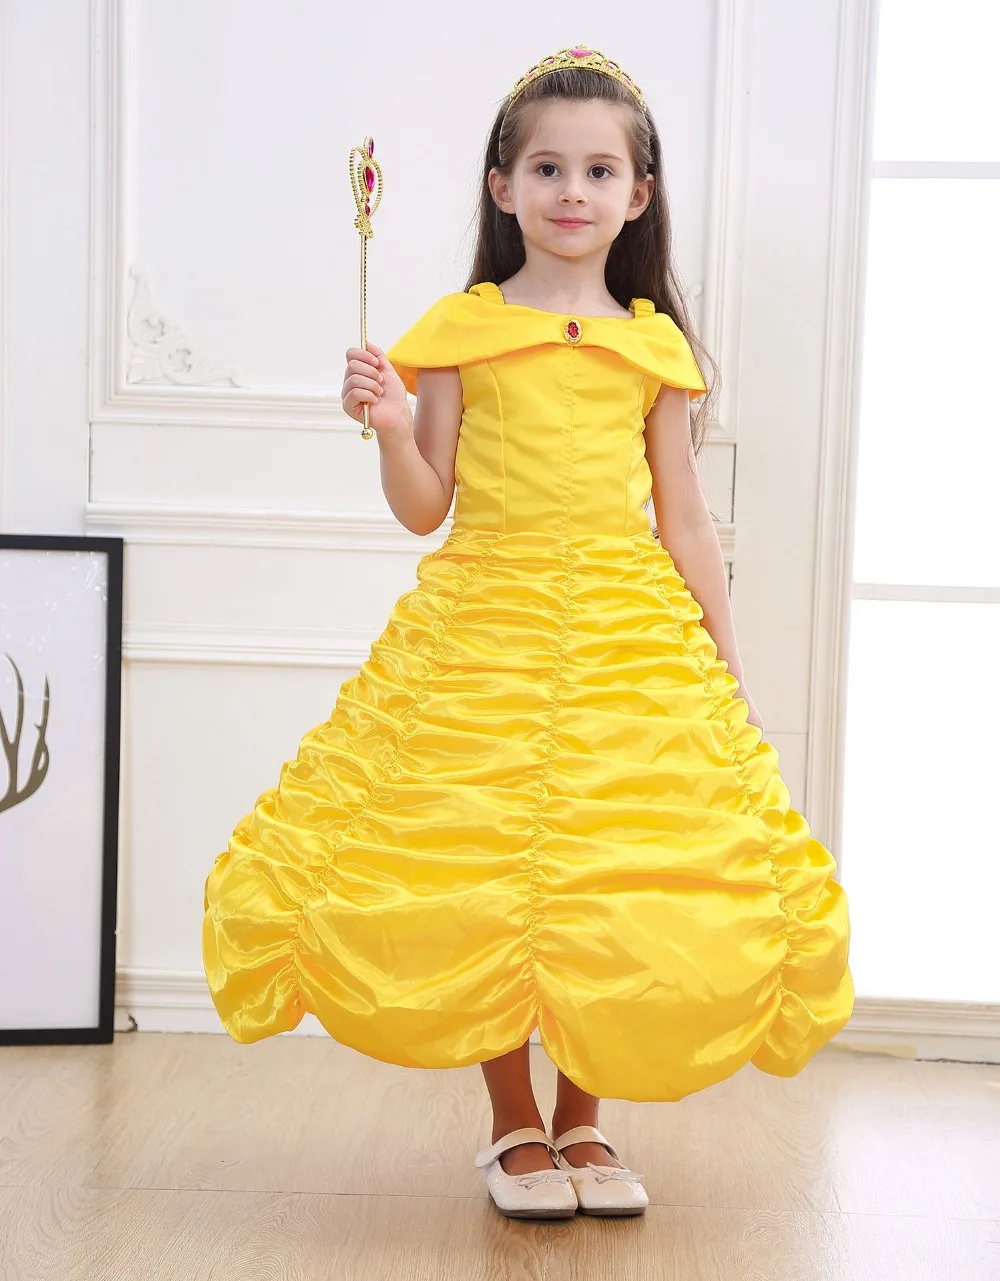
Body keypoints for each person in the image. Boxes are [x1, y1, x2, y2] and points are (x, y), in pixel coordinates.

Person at [202, 45, 854, 1221]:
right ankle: (513, 1124)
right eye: (547, 167)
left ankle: (584, 1121)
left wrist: (724, 661)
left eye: (599, 171)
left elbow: (684, 519)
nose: (571, 191)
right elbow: (425, 506)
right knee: (480, 868)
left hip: (623, 626)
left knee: (616, 868)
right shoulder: (462, 330)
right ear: (501, 186)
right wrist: (392, 424)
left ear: (637, 196)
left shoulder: (652, 348)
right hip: (484, 624)